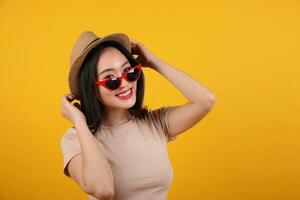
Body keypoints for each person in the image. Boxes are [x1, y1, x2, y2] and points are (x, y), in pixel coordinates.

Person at [60, 31, 216, 200]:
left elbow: (206, 100)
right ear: (91, 89)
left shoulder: (156, 123)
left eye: (129, 71)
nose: (125, 83)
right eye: (111, 79)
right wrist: (79, 121)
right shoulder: (75, 139)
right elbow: (103, 190)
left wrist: (152, 61)